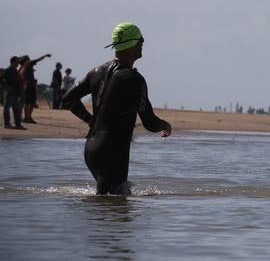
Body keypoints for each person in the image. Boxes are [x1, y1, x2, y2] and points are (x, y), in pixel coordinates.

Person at [62, 23, 172, 195]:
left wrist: (91, 120)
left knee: (104, 206)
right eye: (140, 39)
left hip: (91, 150)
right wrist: (165, 125)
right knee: (116, 210)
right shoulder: (135, 80)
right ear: (132, 43)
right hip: (112, 153)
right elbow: (149, 123)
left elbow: (68, 99)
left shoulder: (96, 72)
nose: (143, 42)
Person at [20, 53, 49, 123]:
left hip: (26, 86)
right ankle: (28, 117)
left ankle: (26, 117)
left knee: (27, 103)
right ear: (27, 60)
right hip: (30, 86)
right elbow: (37, 60)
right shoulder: (28, 64)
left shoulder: (22, 67)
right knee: (32, 102)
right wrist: (44, 56)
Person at [2, 57, 22, 129]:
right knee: (7, 109)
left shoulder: (15, 70)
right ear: (13, 62)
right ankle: (7, 124)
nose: (18, 63)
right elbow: (1, 79)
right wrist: (6, 87)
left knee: (16, 110)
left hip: (16, 93)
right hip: (9, 93)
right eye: (17, 61)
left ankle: (18, 125)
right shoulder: (8, 70)